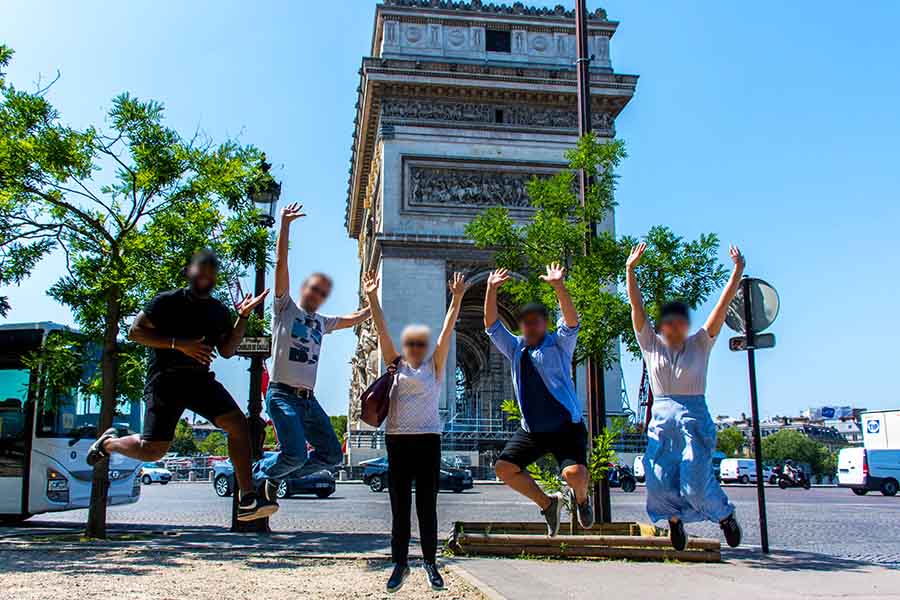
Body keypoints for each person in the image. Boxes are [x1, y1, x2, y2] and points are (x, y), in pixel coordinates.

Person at [87, 250, 272, 521]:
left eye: (211, 272)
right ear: (189, 272)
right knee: (153, 450)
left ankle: (247, 497)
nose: (206, 276)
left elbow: (228, 350)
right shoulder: (166, 302)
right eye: (201, 270)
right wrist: (180, 344)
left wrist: (242, 318)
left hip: (199, 380)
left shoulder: (218, 311)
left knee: (237, 423)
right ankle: (109, 445)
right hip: (165, 379)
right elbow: (135, 332)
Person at [626, 241, 745, 550]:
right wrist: (630, 270)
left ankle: (724, 515)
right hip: (662, 420)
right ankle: (675, 522)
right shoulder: (649, 345)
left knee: (694, 481)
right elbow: (636, 307)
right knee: (658, 480)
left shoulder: (701, 343)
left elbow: (722, 306)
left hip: (693, 417)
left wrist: (737, 272)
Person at [252, 202, 370, 511]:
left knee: (331, 456)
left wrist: (372, 300)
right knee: (295, 454)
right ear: (302, 290)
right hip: (282, 396)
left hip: (309, 400)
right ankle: (257, 475)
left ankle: (278, 478)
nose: (315, 295)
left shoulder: (321, 322)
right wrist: (285, 226)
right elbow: (280, 265)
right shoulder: (284, 309)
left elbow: (351, 318)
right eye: (312, 289)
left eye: (321, 292)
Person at [362, 269, 465, 593]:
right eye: (412, 344)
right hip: (397, 440)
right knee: (400, 507)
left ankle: (431, 563)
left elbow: (447, 331)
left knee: (426, 507)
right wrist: (371, 296)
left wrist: (458, 297)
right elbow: (380, 328)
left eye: (421, 343)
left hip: (428, 440)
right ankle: (400, 563)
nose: (417, 348)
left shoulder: (435, 366)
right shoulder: (395, 365)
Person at [484, 263, 591, 537]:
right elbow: (492, 326)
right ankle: (548, 504)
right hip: (532, 430)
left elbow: (571, 322)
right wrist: (490, 289)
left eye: (537, 321)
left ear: (544, 325)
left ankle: (581, 499)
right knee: (504, 469)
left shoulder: (559, 344)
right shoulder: (515, 347)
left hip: (566, 426)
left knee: (574, 475)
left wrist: (559, 287)